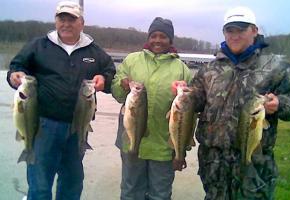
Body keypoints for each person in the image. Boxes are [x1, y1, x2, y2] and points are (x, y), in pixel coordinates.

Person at [184, 6, 290, 199]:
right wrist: (186, 95)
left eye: (241, 30)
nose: (235, 35)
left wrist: (280, 103)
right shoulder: (210, 68)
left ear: (254, 31)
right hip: (213, 165)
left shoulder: (276, 66)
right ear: (224, 33)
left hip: (255, 165)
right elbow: (197, 99)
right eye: (230, 30)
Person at [7, 1, 116, 199]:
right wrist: (15, 75)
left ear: (81, 23)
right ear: (56, 21)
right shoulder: (39, 45)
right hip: (43, 126)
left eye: (71, 20)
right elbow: (16, 66)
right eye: (61, 19)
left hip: (78, 127)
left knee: (72, 183)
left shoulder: (93, 51)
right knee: (40, 184)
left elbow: (110, 72)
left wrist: (104, 79)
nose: (66, 24)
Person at [111, 17, 192, 200]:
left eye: (163, 36)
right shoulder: (132, 60)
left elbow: (189, 115)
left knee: (160, 194)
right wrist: (121, 85)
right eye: (154, 35)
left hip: (163, 146)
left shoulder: (182, 69)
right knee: (131, 191)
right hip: (131, 140)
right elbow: (116, 92)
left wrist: (182, 150)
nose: (157, 40)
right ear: (148, 37)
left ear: (170, 40)